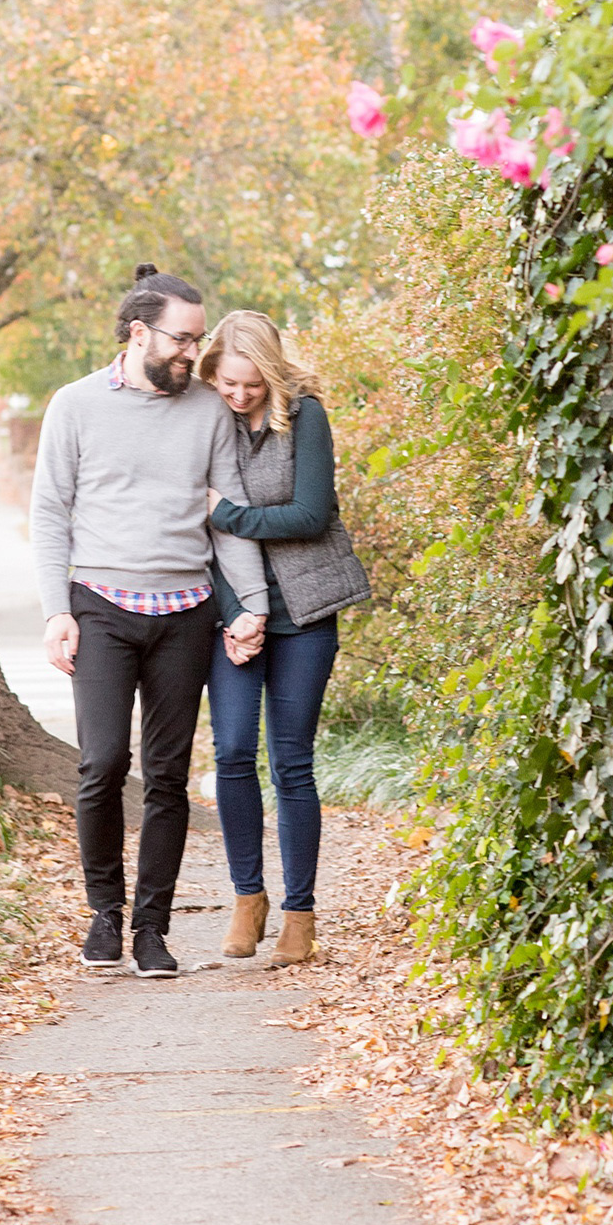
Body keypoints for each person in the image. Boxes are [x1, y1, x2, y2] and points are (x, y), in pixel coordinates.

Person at [30, 266, 268, 976]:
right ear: (139, 333)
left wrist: (249, 604)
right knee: (103, 763)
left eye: (198, 340)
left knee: (167, 776)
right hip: (100, 606)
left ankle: (150, 930)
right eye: (183, 339)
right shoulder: (73, 407)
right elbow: (50, 513)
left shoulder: (206, 412)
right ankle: (104, 914)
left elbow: (227, 519)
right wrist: (55, 612)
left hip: (185, 612)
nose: (194, 354)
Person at [199, 310, 370, 967]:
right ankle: (249, 898)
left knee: (290, 762)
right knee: (233, 750)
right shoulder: (201, 418)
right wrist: (235, 608)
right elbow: (192, 534)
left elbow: (310, 512)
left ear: (272, 375)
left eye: (252, 385)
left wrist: (228, 512)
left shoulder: (306, 416)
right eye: (229, 383)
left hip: (305, 611)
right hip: (233, 615)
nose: (240, 396)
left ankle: (300, 914)